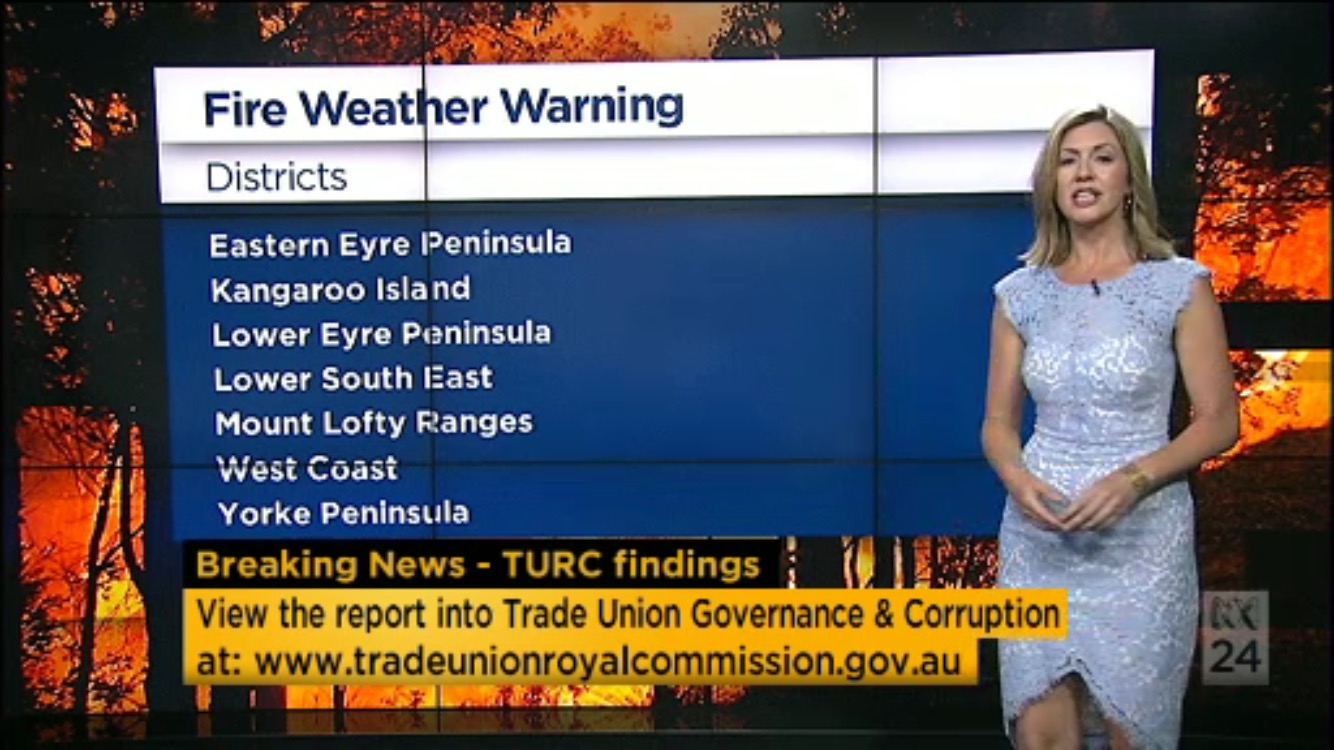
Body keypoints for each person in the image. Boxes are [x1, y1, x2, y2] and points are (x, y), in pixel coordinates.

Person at [982, 104, 1240, 749]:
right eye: (1067, 161)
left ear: (1129, 180)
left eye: (1101, 158)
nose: (1083, 173)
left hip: (1142, 539)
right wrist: (1016, 477)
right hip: (1041, 539)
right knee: (1043, 736)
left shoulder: (1179, 286)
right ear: (1051, 184)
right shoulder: (1019, 294)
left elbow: (1219, 421)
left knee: (1133, 733)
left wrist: (1133, 481)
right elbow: (997, 423)